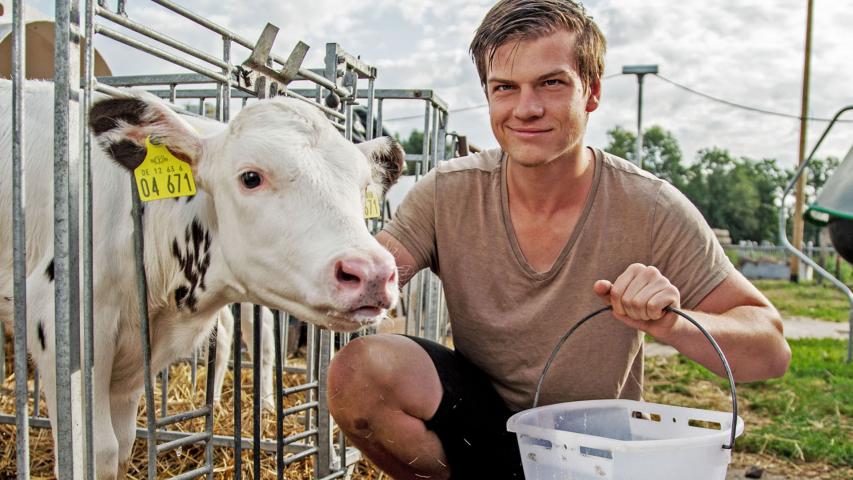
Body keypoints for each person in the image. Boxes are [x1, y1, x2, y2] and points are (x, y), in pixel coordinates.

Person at [327, 1, 792, 478]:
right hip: (481, 422)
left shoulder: (651, 208)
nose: (525, 109)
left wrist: (675, 324)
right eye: (505, 88)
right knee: (359, 373)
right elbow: (368, 272)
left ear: (590, 92)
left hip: (592, 449)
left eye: (551, 83)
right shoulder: (447, 192)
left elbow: (771, 350)